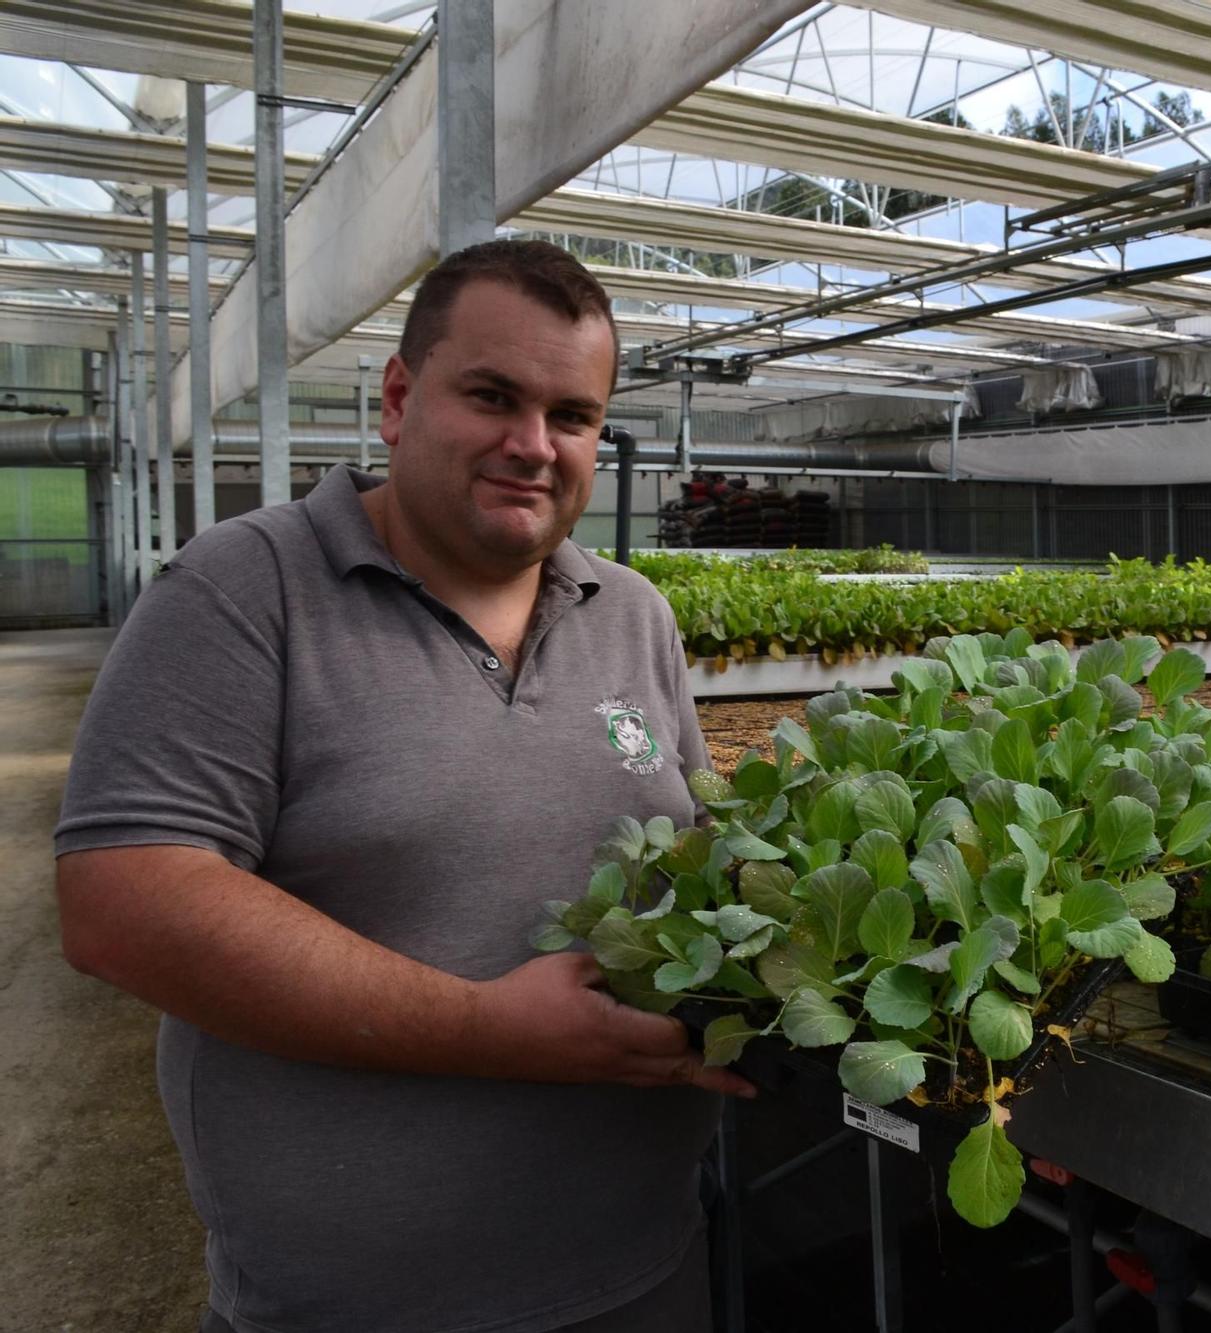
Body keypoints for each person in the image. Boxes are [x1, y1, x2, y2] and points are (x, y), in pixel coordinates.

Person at [54, 239, 751, 1333]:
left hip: (642, 1275)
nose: (533, 445)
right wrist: (491, 1027)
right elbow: (123, 901)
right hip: (352, 1307)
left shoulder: (632, 612)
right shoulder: (244, 591)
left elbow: (701, 856)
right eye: (491, 396)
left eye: (571, 416)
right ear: (397, 396)